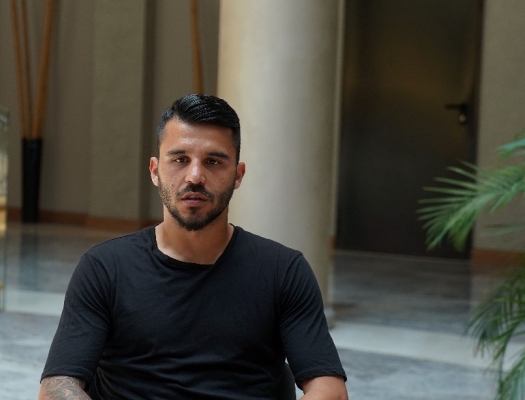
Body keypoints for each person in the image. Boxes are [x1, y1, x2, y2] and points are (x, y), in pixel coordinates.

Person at [39, 94, 348, 400]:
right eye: (180, 159)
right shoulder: (105, 268)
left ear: (238, 175)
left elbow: (329, 389)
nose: (195, 176)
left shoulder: (283, 271)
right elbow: (57, 387)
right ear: (155, 171)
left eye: (213, 162)